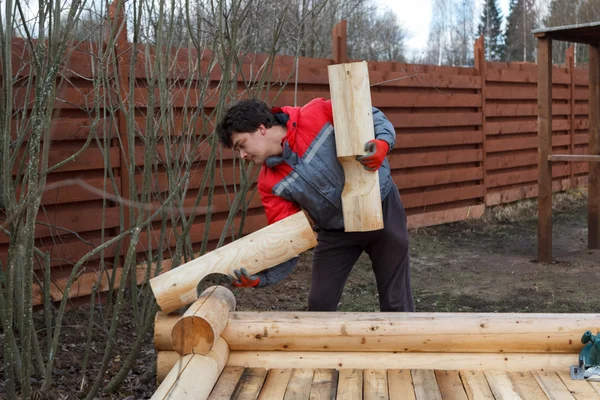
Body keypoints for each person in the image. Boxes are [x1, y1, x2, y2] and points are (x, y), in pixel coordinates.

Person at [215, 97, 414, 312]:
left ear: (261, 128)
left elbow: (366, 113)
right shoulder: (269, 184)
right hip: (335, 231)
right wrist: (260, 278)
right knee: (320, 306)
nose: (243, 155)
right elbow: (287, 238)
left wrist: (383, 142)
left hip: (381, 208)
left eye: (241, 145)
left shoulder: (316, 113)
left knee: (396, 301)